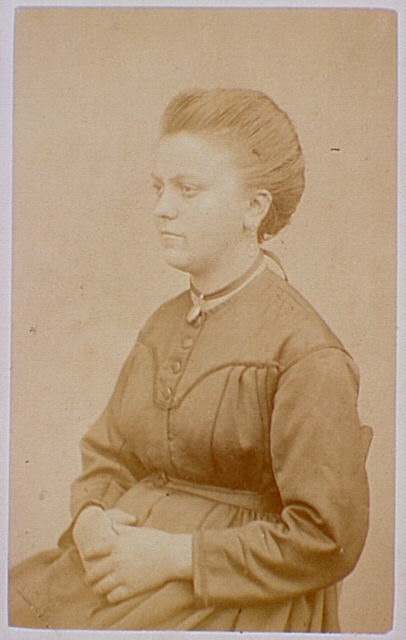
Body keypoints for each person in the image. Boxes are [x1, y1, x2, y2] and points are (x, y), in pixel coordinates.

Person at [9, 88, 371, 632]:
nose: (162, 207)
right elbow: (110, 453)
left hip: (235, 598)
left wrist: (174, 557)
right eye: (158, 187)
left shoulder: (306, 354)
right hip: (126, 569)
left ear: (255, 207)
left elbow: (327, 538)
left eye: (188, 189)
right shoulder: (163, 322)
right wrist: (91, 519)